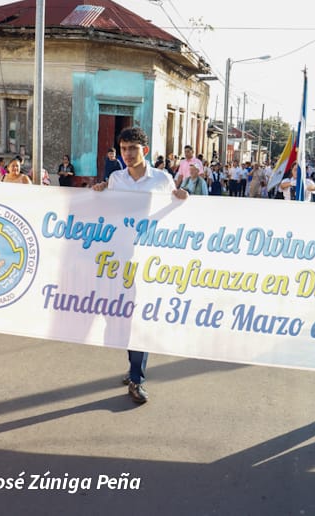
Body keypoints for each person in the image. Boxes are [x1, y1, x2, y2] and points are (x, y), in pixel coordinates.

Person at [92, 127, 188, 404]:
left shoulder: (161, 179)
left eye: (133, 148)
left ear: (144, 150)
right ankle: (133, 364)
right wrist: (98, 192)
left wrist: (182, 199)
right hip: (118, 258)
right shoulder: (116, 178)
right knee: (120, 316)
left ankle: (137, 378)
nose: (128, 154)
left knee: (139, 317)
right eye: (123, 149)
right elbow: (106, 211)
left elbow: (173, 211)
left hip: (148, 261)